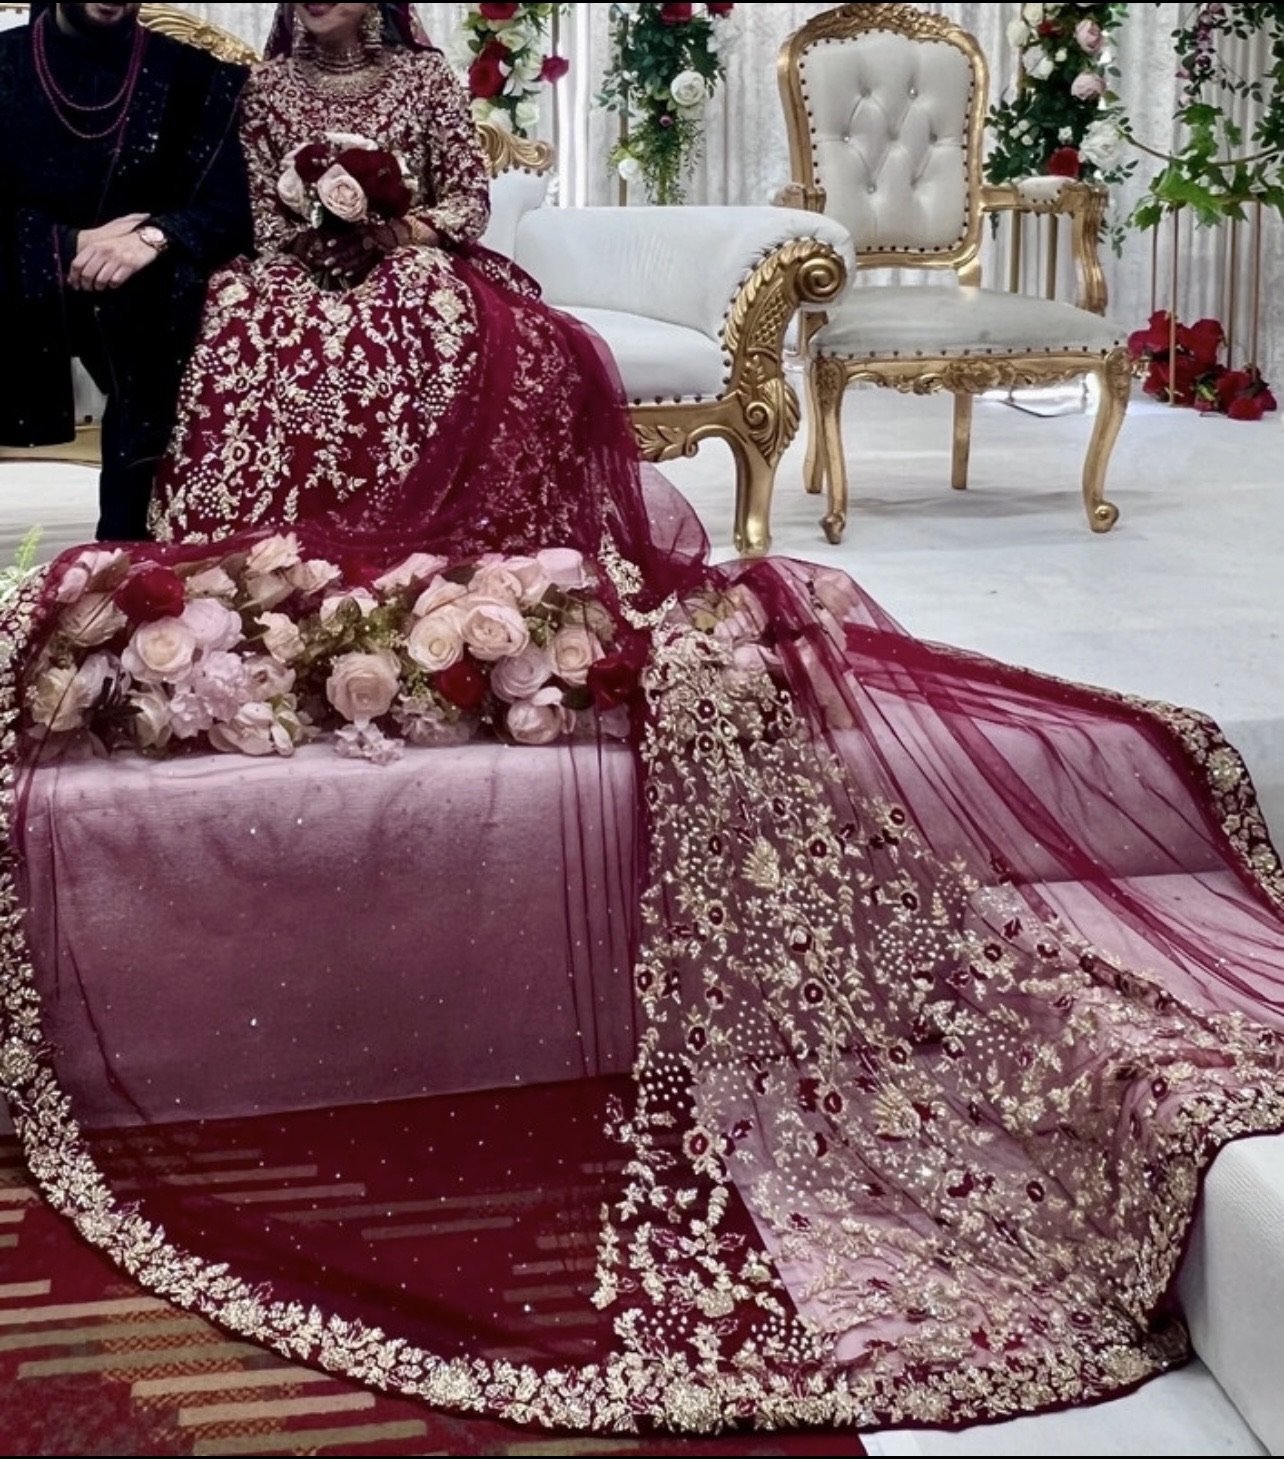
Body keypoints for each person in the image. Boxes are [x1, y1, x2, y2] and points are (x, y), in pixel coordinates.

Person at [1, 1, 1282, 1441]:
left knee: (451, 320)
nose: (342, 7)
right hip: (305, 270)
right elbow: (242, 210)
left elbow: (471, 198)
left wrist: (404, 216)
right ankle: (281, 559)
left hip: (415, 262)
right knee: (257, 316)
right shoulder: (264, 86)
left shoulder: (423, 74)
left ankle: (440, 556)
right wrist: (309, 216)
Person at [0, 1, 252, 541]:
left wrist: (153, 238)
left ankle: (127, 550)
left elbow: (232, 210)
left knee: (168, 298)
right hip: (14, 275)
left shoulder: (191, 76)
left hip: (140, 290)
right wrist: (65, 245)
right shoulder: (7, 65)